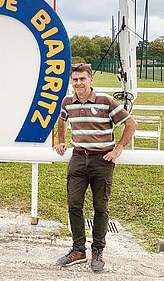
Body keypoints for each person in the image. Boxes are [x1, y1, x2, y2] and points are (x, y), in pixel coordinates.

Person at [53, 63, 137, 271]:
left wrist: (118, 149)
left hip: (102, 161)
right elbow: (61, 119)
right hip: (79, 158)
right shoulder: (67, 101)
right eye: (75, 80)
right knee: (74, 205)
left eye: (82, 79)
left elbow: (130, 123)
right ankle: (78, 250)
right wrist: (61, 140)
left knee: (101, 207)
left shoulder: (105, 101)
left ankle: (98, 250)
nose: (78, 83)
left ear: (91, 79)